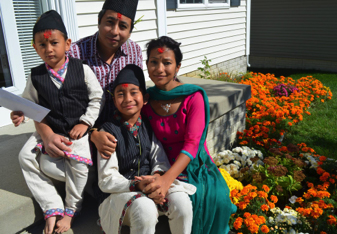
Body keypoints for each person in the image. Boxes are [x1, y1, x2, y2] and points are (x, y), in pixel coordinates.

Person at [10, 10, 103, 234]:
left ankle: (72, 209)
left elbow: (97, 97)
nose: (49, 49)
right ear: (34, 47)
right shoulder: (36, 76)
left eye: (54, 42)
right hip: (50, 128)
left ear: (67, 43)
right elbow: (28, 103)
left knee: (79, 164)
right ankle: (51, 205)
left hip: (76, 131)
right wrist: (20, 113)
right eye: (42, 45)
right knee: (25, 156)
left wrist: (86, 122)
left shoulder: (82, 70)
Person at [140, 36, 238, 234]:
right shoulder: (146, 99)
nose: (159, 69)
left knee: (214, 197)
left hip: (194, 164)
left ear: (177, 67)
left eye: (167, 63)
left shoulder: (193, 97)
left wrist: (167, 180)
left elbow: (192, 143)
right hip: (159, 163)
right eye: (154, 62)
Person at [34, 0, 142, 159]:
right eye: (109, 22)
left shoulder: (134, 52)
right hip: (79, 130)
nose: (114, 31)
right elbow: (49, 102)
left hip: (121, 127)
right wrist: (92, 133)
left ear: (130, 31)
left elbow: (135, 95)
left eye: (123, 26)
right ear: (99, 21)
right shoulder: (74, 54)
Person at [97, 64, 195, 234]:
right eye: (120, 94)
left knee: (182, 202)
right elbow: (107, 180)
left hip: (150, 186)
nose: (127, 99)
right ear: (114, 101)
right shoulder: (107, 132)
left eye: (134, 92)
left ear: (145, 98)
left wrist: (157, 179)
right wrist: (137, 185)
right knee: (145, 208)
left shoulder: (149, 125)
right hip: (120, 194)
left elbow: (160, 159)